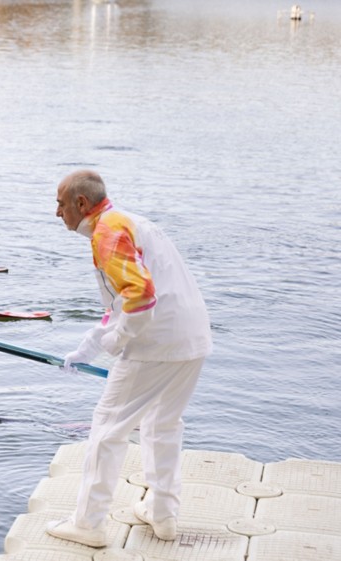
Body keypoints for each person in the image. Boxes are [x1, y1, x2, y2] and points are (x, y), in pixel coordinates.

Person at [45, 170, 212, 547]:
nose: (57, 212)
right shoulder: (132, 222)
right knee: (163, 423)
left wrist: (119, 340)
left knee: (107, 430)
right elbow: (123, 299)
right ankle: (163, 513)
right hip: (193, 337)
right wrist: (91, 343)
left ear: (81, 204)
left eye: (60, 203)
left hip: (154, 344)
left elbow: (140, 296)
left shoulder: (106, 232)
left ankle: (88, 524)